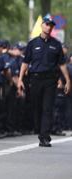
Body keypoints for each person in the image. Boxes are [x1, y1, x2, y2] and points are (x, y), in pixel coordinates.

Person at [17, 15, 71, 147]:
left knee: (48, 108)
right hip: (35, 79)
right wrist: (20, 79)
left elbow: (62, 64)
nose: (49, 27)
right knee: (37, 107)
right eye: (46, 24)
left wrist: (68, 81)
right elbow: (25, 62)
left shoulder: (56, 44)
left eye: (51, 25)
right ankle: (38, 128)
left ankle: (44, 136)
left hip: (50, 80)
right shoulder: (32, 43)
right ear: (42, 25)